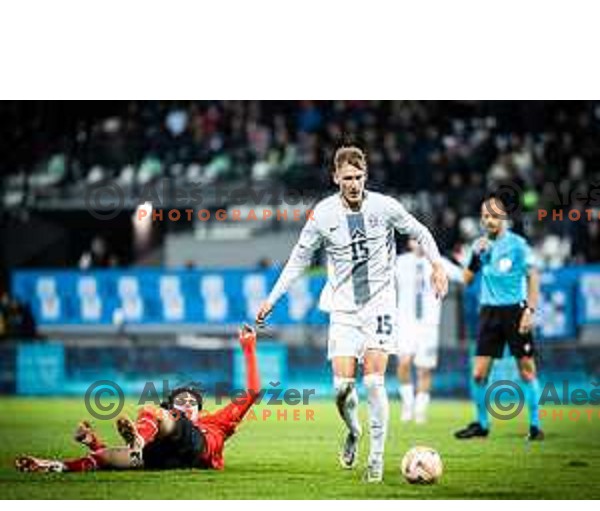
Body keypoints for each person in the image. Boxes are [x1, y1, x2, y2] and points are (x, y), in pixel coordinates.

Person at [256, 146, 448, 482]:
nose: (354, 183)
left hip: (380, 305)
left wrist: (437, 266)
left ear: (366, 176)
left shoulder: (385, 206)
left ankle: (375, 462)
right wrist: (272, 298)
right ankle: (354, 431)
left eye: (359, 177)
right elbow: (298, 260)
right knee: (343, 390)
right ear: (335, 178)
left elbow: (421, 232)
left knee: (374, 382)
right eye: (347, 178)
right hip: (343, 309)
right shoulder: (323, 214)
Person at [15, 325, 261, 473]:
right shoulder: (165, 419)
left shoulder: (215, 422)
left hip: (196, 448)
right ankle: (57, 466)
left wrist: (248, 347)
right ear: (171, 405)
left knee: (150, 413)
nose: (187, 403)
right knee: (104, 458)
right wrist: (94, 442)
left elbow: (253, 392)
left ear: (200, 410)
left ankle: (138, 442)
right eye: (180, 400)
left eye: (191, 402)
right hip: (164, 458)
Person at [454, 197, 544, 441]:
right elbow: (466, 279)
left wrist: (530, 310)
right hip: (489, 313)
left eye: (493, 216)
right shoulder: (480, 245)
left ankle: (535, 426)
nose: (489, 221)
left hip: (515, 311)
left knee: (526, 370)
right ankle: (481, 425)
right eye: (485, 216)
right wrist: (476, 257)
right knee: (478, 374)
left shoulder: (517, 245)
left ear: (503, 217)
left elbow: (533, 277)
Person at [395, 238, 464, 423]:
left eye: (422, 239)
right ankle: (407, 404)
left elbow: (463, 277)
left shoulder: (438, 262)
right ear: (410, 243)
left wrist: (463, 259)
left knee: (424, 369)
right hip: (405, 322)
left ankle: (420, 410)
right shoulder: (399, 262)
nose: (419, 243)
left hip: (429, 324)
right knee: (404, 362)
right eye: (415, 239)